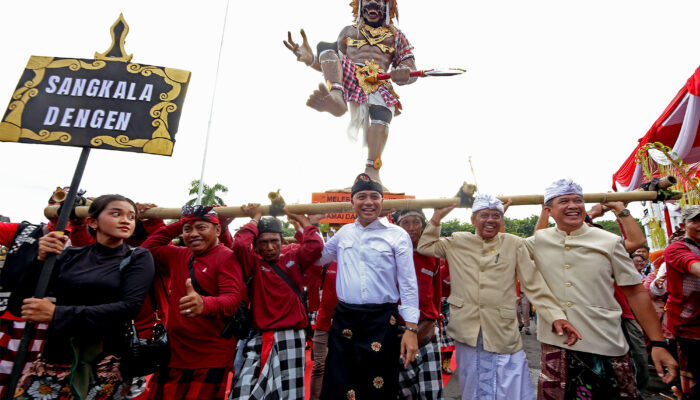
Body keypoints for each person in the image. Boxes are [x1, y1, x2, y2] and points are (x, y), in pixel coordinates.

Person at [419, 194, 580, 399]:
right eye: (484, 215)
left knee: (509, 382)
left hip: (502, 329)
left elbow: (533, 284)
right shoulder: (457, 241)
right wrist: (436, 219)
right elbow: (425, 246)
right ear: (473, 220)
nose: (491, 219)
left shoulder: (514, 244)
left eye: (496, 215)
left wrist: (556, 315)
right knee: (472, 383)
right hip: (467, 329)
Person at [528, 179, 677, 399]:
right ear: (549, 211)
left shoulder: (608, 241)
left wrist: (657, 343)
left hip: (605, 342)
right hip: (556, 343)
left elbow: (635, 291)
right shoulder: (537, 241)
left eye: (578, 200)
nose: (573, 205)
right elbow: (495, 243)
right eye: (564, 201)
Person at [14, 194, 154, 399]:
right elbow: (24, 300)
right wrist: (40, 260)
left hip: (105, 361)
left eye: (131, 217)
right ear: (92, 221)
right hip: (55, 355)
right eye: (116, 213)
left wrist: (57, 313)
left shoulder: (137, 257)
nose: (126, 220)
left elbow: (128, 308)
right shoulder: (69, 255)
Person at [284, 0, 416, 183]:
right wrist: (310, 59)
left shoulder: (397, 36)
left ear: (387, 6)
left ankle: (373, 170)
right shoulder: (348, 31)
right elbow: (331, 62)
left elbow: (410, 67)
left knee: (382, 114)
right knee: (326, 48)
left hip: (379, 79)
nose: (372, 3)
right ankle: (337, 99)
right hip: (351, 74)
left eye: (378, 0)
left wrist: (404, 72)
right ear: (360, 5)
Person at [316, 173, 419, 399]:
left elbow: (409, 284)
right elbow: (318, 258)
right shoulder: (343, 234)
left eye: (374, 196)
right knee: (340, 384)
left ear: (382, 201)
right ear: (352, 202)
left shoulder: (397, 235)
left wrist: (411, 329)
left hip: (382, 322)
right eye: (361, 196)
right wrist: (309, 227)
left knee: (378, 387)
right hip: (345, 320)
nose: (368, 202)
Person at [0, 187, 95, 398]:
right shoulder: (23, 230)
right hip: (11, 319)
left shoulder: (86, 240)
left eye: (75, 204)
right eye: (59, 200)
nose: (63, 207)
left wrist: (78, 222)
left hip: (55, 327)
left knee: (34, 385)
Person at [142, 205, 243, 400]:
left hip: (209, 356)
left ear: (218, 230)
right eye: (188, 230)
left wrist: (204, 304)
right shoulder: (179, 254)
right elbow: (147, 249)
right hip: (174, 353)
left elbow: (232, 300)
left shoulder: (227, 257)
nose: (193, 234)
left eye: (202, 227)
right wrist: (181, 223)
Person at [229, 205, 323, 400]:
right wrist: (255, 218)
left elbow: (315, 246)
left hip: (293, 335)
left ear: (282, 241)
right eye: (263, 242)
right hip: (261, 336)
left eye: (274, 241)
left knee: (289, 394)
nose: (270, 247)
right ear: (255, 245)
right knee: (244, 391)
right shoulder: (252, 263)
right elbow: (239, 245)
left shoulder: (293, 257)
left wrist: (303, 220)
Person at [394, 209, 443, 400]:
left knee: (431, 392)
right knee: (403, 392)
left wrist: (432, 319)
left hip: (426, 333)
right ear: (397, 226)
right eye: (405, 222)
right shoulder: (390, 254)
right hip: (397, 334)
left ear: (423, 225)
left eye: (417, 222)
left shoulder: (432, 255)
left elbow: (436, 295)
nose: (412, 228)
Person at [663, 205, 700, 400]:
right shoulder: (677, 248)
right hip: (689, 327)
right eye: (695, 221)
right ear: (683, 224)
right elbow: (694, 266)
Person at [309, 261, 338, 400]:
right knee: (319, 366)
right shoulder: (326, 264)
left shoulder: (357, 261)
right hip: (323, 322)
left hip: (348, 324)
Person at [437, 261, 455, 375]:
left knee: (449, 337)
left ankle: (446, 363)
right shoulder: (441, 269)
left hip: (450, 307)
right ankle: (440, 362)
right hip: (437, 306)